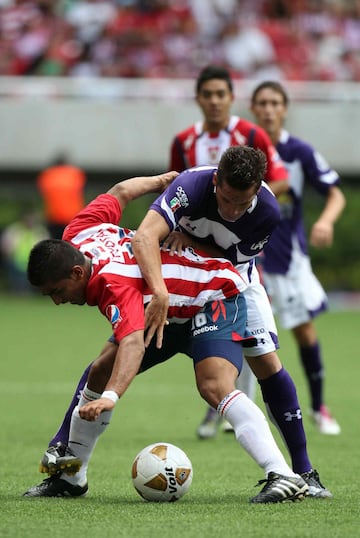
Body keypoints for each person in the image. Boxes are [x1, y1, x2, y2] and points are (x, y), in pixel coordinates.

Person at [23, 165, 309, 503]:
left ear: (75, 271)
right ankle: (71, 478)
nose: (58, 301)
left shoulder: (114, 286)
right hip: (166, 311)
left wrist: (110, 398)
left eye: (57, 291)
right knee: (99, 371)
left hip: (213, 297)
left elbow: (132, 343)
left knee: (213, 386)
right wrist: (158, 182)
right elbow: (119, 193)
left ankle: (283, 474)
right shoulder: (79, 231)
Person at [131, 145, 331, 499]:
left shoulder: (268, 209)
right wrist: (160, 290)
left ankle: (304, 472)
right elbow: (146, 233)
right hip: (180, 280)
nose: (232, 210)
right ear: (215, 181)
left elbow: (229, 260)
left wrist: (187, 238)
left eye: (241, 203)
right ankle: (66, 462)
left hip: (235, 281)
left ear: (256, 190)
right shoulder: (190, 185)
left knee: (268, 364)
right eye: (225, 199)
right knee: (115, 353)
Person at [169, 64, 288, 438]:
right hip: (191, 251)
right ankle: (219, 404)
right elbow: (174, 186)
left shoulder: (250, 134)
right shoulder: (185, 141)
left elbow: (278, 181)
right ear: (199, 99)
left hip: (238, 251)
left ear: (231, 98)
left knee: (251, 333)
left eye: (222, 94)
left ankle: (236, 403)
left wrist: (242, 212)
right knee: (197, 329)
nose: (215, 101)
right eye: (208, 94)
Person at [250, 80, 346, 435]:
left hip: (288, 258)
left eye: (275, 102)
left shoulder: (300, 151)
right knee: (243, 333)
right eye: (262, 102)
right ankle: (228, 413)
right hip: (248, 257)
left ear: (284, 108)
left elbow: (335, 194)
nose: (269, 108)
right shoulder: (245, 151)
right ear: (253, 108)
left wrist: (325, 220)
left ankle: (319, 406)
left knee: (303, 331)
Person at [37, 152, 87, 239]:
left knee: (54, 245)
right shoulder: (76, 174)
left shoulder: (46, 175)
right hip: (72, 217)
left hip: (53, 217)